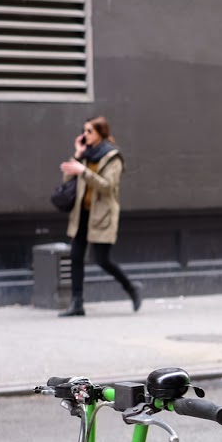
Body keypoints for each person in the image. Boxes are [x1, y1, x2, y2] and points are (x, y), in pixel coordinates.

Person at [58, 116, 140, 317]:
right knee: (76, 257)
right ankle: (77, 303)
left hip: (102, 215)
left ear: (100, 134)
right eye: (84, 131)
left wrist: (83, 170)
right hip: (82, 214)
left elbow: (107, 186)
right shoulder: (86, 155)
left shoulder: (113, 157)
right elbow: (68, 180)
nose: (85, 135)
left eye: (89, 131)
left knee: (102, 259)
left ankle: (131, 288)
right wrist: (77, 156)